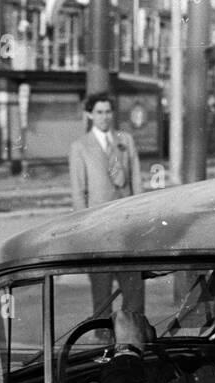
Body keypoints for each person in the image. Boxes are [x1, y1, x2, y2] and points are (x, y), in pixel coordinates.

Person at [69, 93, 144, 316]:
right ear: (90, 114)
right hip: (98, 229)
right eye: (99, 112)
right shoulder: (80, 146)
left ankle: (135, 337)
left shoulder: (125, 140)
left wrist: (141, 218)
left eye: (108, 112)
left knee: (133, 289)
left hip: (127, 226)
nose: (104, 117)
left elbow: (136, 181)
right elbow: (78, 192)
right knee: (101, 292)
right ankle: (102, 340)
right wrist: (83, 229)